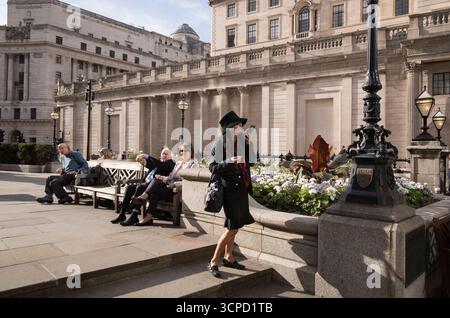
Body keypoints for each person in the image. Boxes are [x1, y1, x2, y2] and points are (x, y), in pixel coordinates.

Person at [207, 111, 256, 278]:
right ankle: (214, 261)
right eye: (237, 126)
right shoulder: (219, 144)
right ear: (229, 129)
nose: (241, 128)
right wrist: (229, 161)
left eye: (241, 125)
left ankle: (229, 257)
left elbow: (252, 162)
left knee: (235, 227)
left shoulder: (241, 143)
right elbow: (213, 168)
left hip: (241, 188)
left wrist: (249, 146)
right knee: (231, 227)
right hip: (229, 190)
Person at [134, 143, 198, 226]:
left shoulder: (194, 165)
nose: (182, 152)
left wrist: (175, 184)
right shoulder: (178, 164)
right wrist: (162, 177)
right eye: (181, 151)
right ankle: (148, 217)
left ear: (190, 152)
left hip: (178, 192)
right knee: (155, 185)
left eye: (185, 150)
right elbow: (170, 177)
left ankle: (144, 197)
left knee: (155, 187)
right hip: (169, 188)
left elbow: (189, 183)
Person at [111, 147, 175, 225]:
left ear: (170, 156)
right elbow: (148, 163)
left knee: (140, 187)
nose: (164, 155)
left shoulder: (170, 163)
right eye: (163, 153)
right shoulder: (157, 164)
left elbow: (160, 165)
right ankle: (122, 214)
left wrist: (147, 156)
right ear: (160, 155)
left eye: (166, 154)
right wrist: (142, 160)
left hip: (153, 187)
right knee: (129, 188)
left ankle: (134, 215)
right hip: (146, 184)